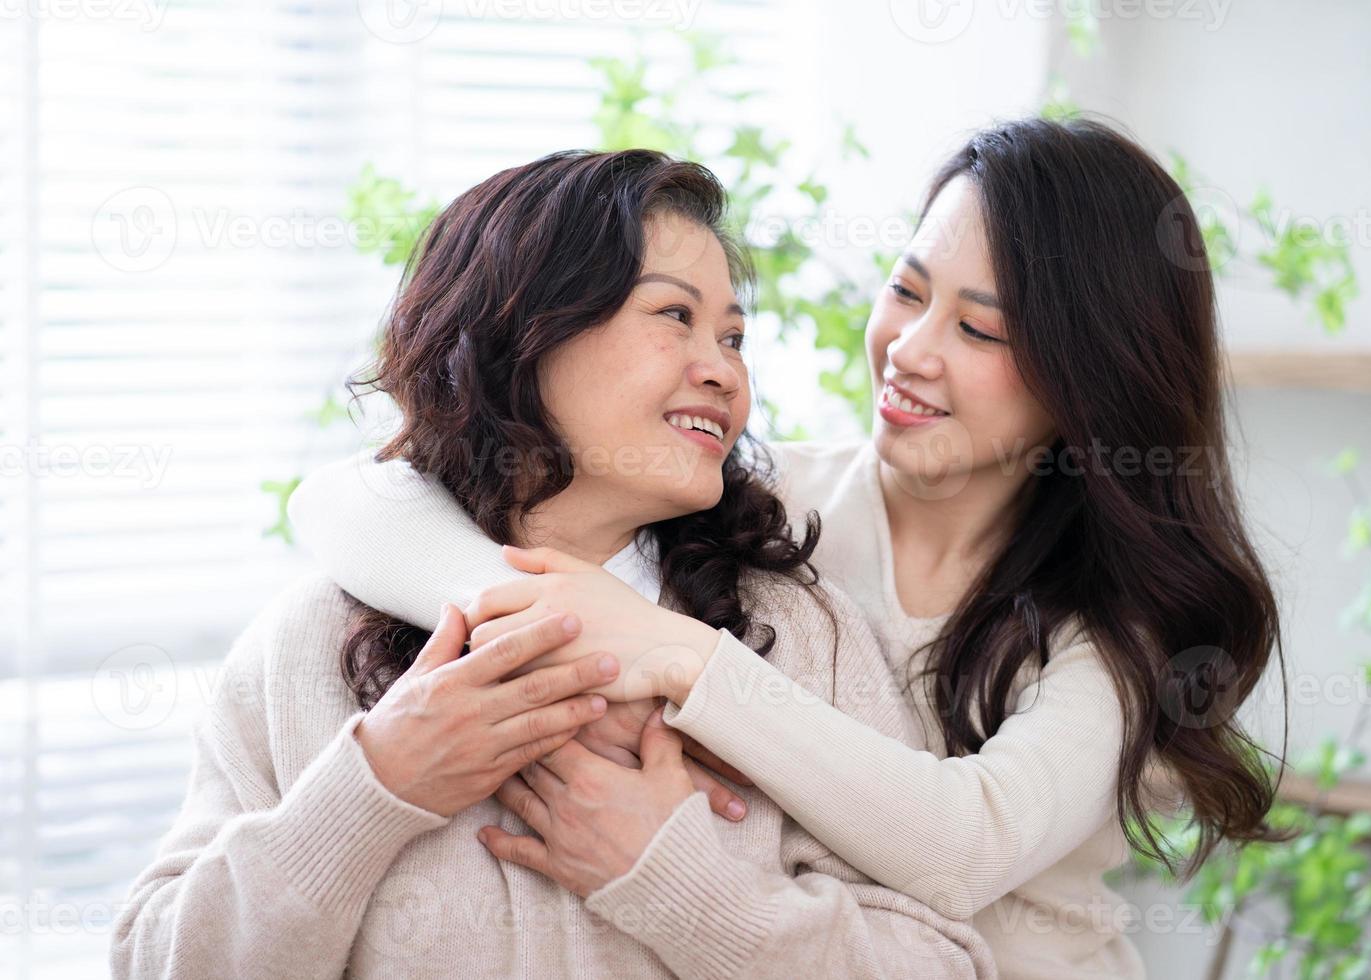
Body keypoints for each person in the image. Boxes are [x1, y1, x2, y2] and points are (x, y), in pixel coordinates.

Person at [288, 116, 1287, 979]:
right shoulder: (767, 510)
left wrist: (668, 648)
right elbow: (349, 499)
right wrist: (536, 610)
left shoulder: (1114, 636)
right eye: (907, 288)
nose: (910, 346)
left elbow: (960, 846)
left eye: (979, 330)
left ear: (1088, 380)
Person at [111, 148, 996, 979]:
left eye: (732, 338)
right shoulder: (311, 642)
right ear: (523, 333)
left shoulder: (799, 634)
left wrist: (685, 885)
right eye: (675, 316)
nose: (725, 374)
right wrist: (375, 786)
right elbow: (160, 961)